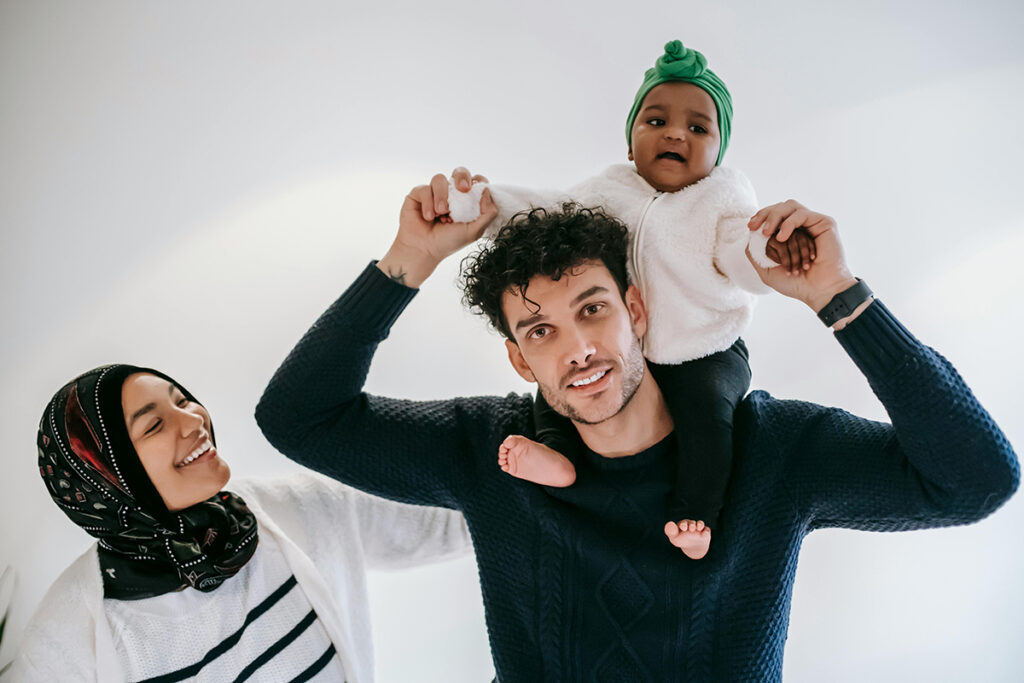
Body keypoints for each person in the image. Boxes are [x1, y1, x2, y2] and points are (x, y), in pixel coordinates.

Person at [254, 186, 1018, 680]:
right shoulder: (489, 448)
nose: (578, 349)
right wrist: (407, 260)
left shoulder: (770, 447)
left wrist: (838, 296)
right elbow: (296, 416)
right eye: (542, 330)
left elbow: (977, 478)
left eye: (592, 309)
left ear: (638, 313)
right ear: (519, 358)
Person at [445, 40, 815, 560]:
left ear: (718, 152)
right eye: (656, 120)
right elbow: (542, 208)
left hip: (701, 352)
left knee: (709, 421)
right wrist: (482, 205)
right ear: (629, 141)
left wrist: (769, 250)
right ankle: (556, 456)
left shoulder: (723, 203)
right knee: (554, 393)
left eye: (697, 127)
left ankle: (697, 513)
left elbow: (741, 254)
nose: (674, 133)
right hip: (623, 349)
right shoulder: (608, 190)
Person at [9, 364, 471, 682]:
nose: (192, 420)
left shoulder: (287, 511)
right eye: (153, 426)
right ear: (105, 479)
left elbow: (457, 518)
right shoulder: (65, 642)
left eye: (182, 400)